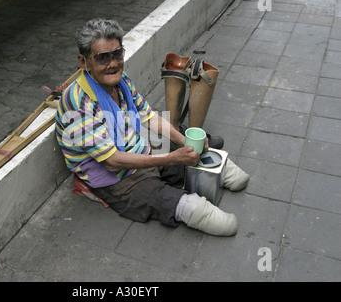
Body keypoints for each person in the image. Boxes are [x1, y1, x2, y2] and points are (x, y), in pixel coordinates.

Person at [55, 18, 249, 236]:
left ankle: (207, 170)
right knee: (159, 195)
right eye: (102, 58)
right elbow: (112, 160)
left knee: (182, 154)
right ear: (84, 62)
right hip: (111, 173)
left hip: (135, 147)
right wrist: (171, 158)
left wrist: (182, 140)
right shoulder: (77, 102)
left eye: (117, 54)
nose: (113, 64)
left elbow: (148, 117)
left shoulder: (121, 81)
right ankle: (190, 203)